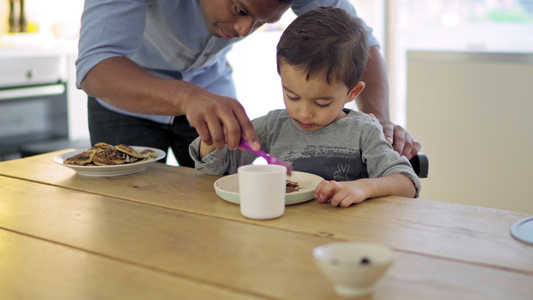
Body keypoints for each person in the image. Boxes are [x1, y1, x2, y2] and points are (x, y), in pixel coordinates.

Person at [76, 0, 420, 168]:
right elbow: (95, 65)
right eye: (239, 8)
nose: (243, 30)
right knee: (129, 216)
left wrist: (382, 123)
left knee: (216, 209)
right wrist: (186, 98)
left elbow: (360, 43)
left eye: (261, 21)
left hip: (211, 87)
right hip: (126, 92)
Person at [189, 6, 421, 207]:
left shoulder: (364, 131)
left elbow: (407, 183)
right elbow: (216, 170)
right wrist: (212, 139)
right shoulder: (274, 126)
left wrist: (364, 188)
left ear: (352, 93)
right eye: (292, 96)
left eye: (322, 102)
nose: (304, 112)